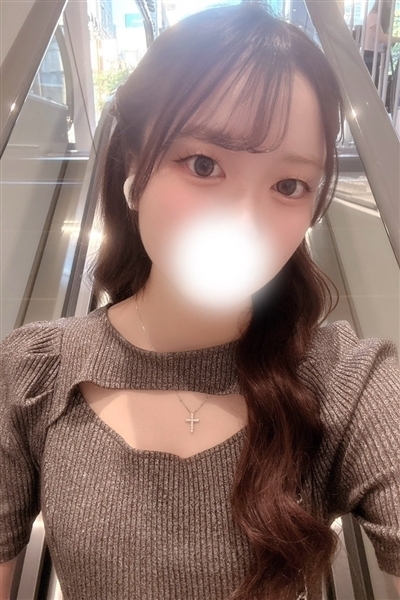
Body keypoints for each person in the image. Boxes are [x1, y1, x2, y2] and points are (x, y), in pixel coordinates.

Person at [0, 4, 399, 600]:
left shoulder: (349, 383)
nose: (245, 220)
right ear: (133, 167)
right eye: (204, 164)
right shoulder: (34, 375)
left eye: (288, 185)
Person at [364, 0, 400, 84]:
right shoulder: (373, 16)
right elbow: (380, 37)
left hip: (379, 56)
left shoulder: (381, 18)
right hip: (371, 56)